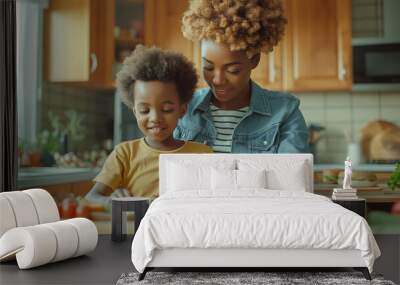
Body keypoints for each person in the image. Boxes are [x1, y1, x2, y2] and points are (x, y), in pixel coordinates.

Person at [85, 46, 212, 208]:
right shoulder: (124, 154)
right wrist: (112, 201)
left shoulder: (203, 154)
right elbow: (91, 197)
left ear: (182, 110)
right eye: (144, 110)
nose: (155, 118)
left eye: (166, 109)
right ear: (135, 112)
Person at [174, 0, 309, 153]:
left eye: (233, 70)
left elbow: (292, 173)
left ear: (254, 60)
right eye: (208, 67)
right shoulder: (182, 108)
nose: (218, 80)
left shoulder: (285, 112)